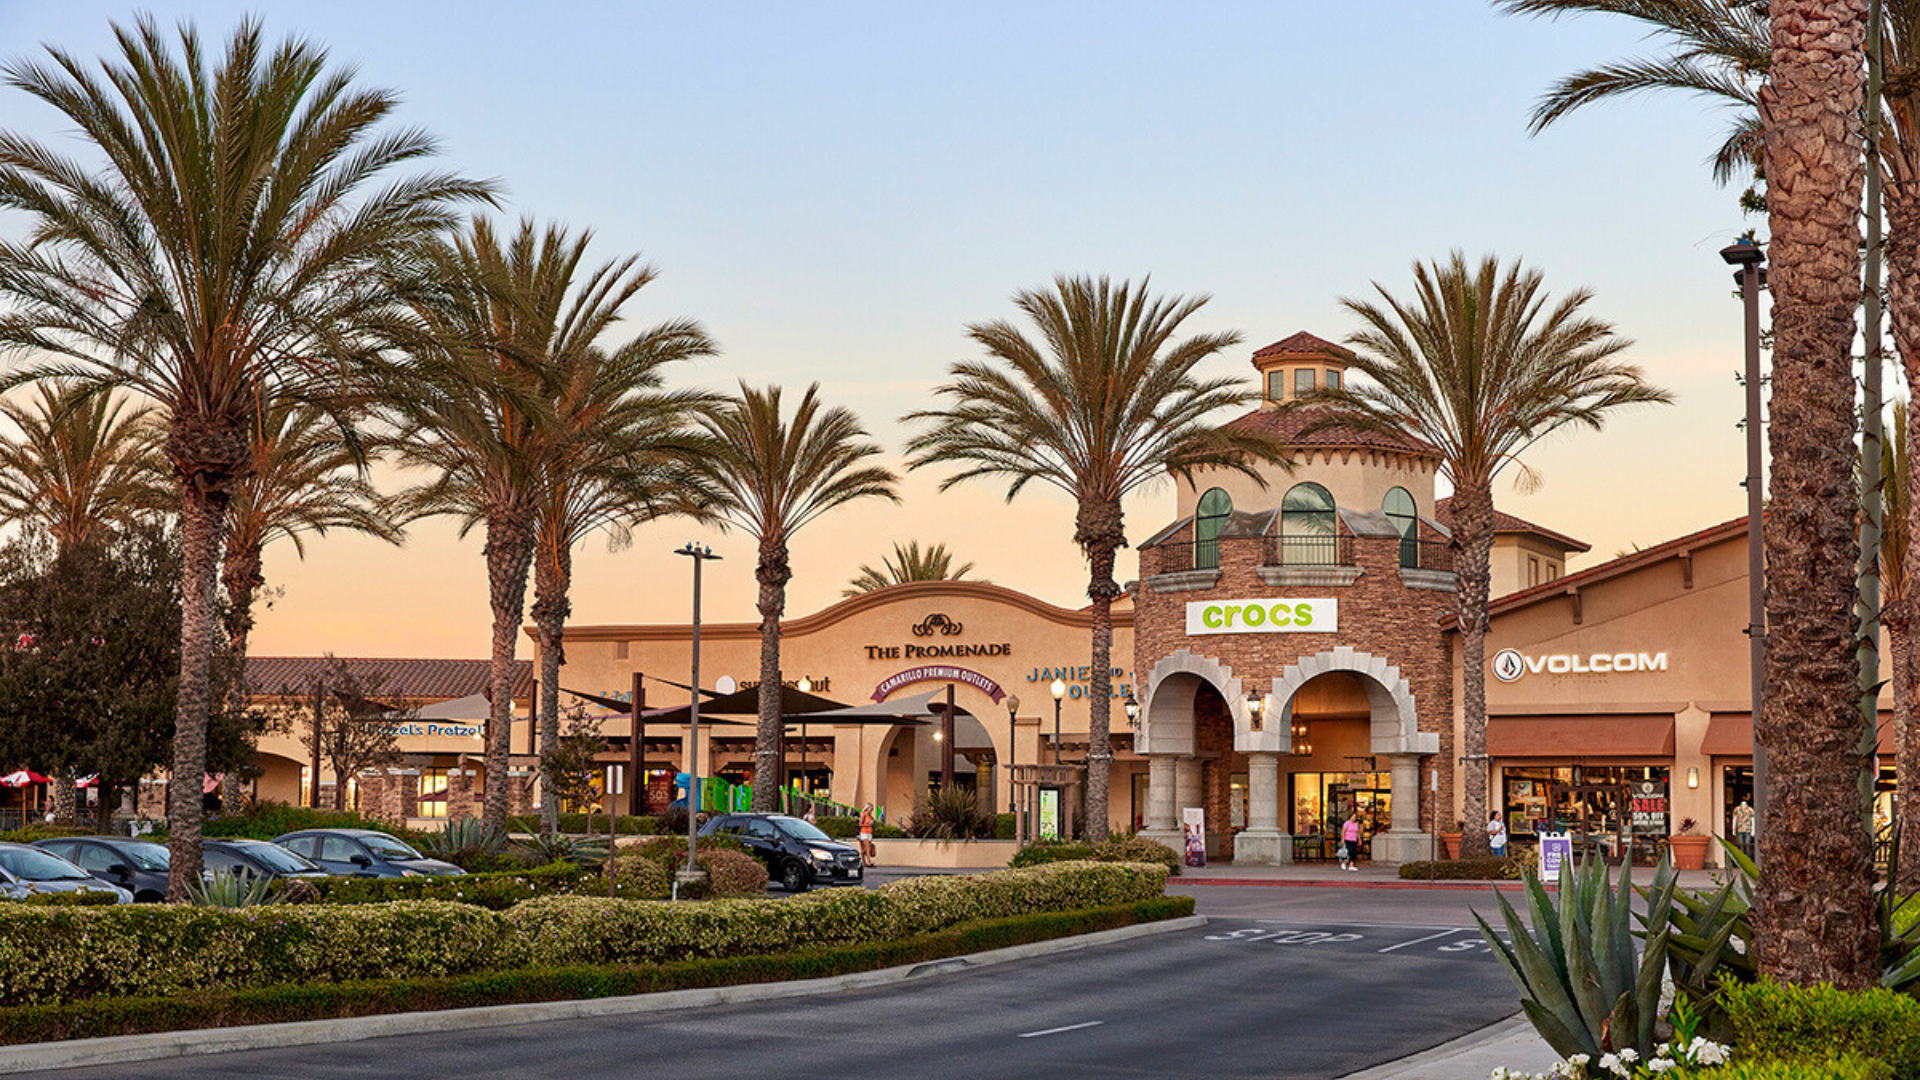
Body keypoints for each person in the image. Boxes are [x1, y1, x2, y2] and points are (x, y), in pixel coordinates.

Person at [857, 802, 876, 866]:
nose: (871, 810)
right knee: (867, 848)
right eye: (871, 809)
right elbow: (860, 824)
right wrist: (867, 825)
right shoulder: (863, 815)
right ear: (867, 808)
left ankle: (861, 858)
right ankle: (869, 861)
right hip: (864, 832)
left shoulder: (869, 816)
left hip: (869, 832)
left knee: (867, 848)